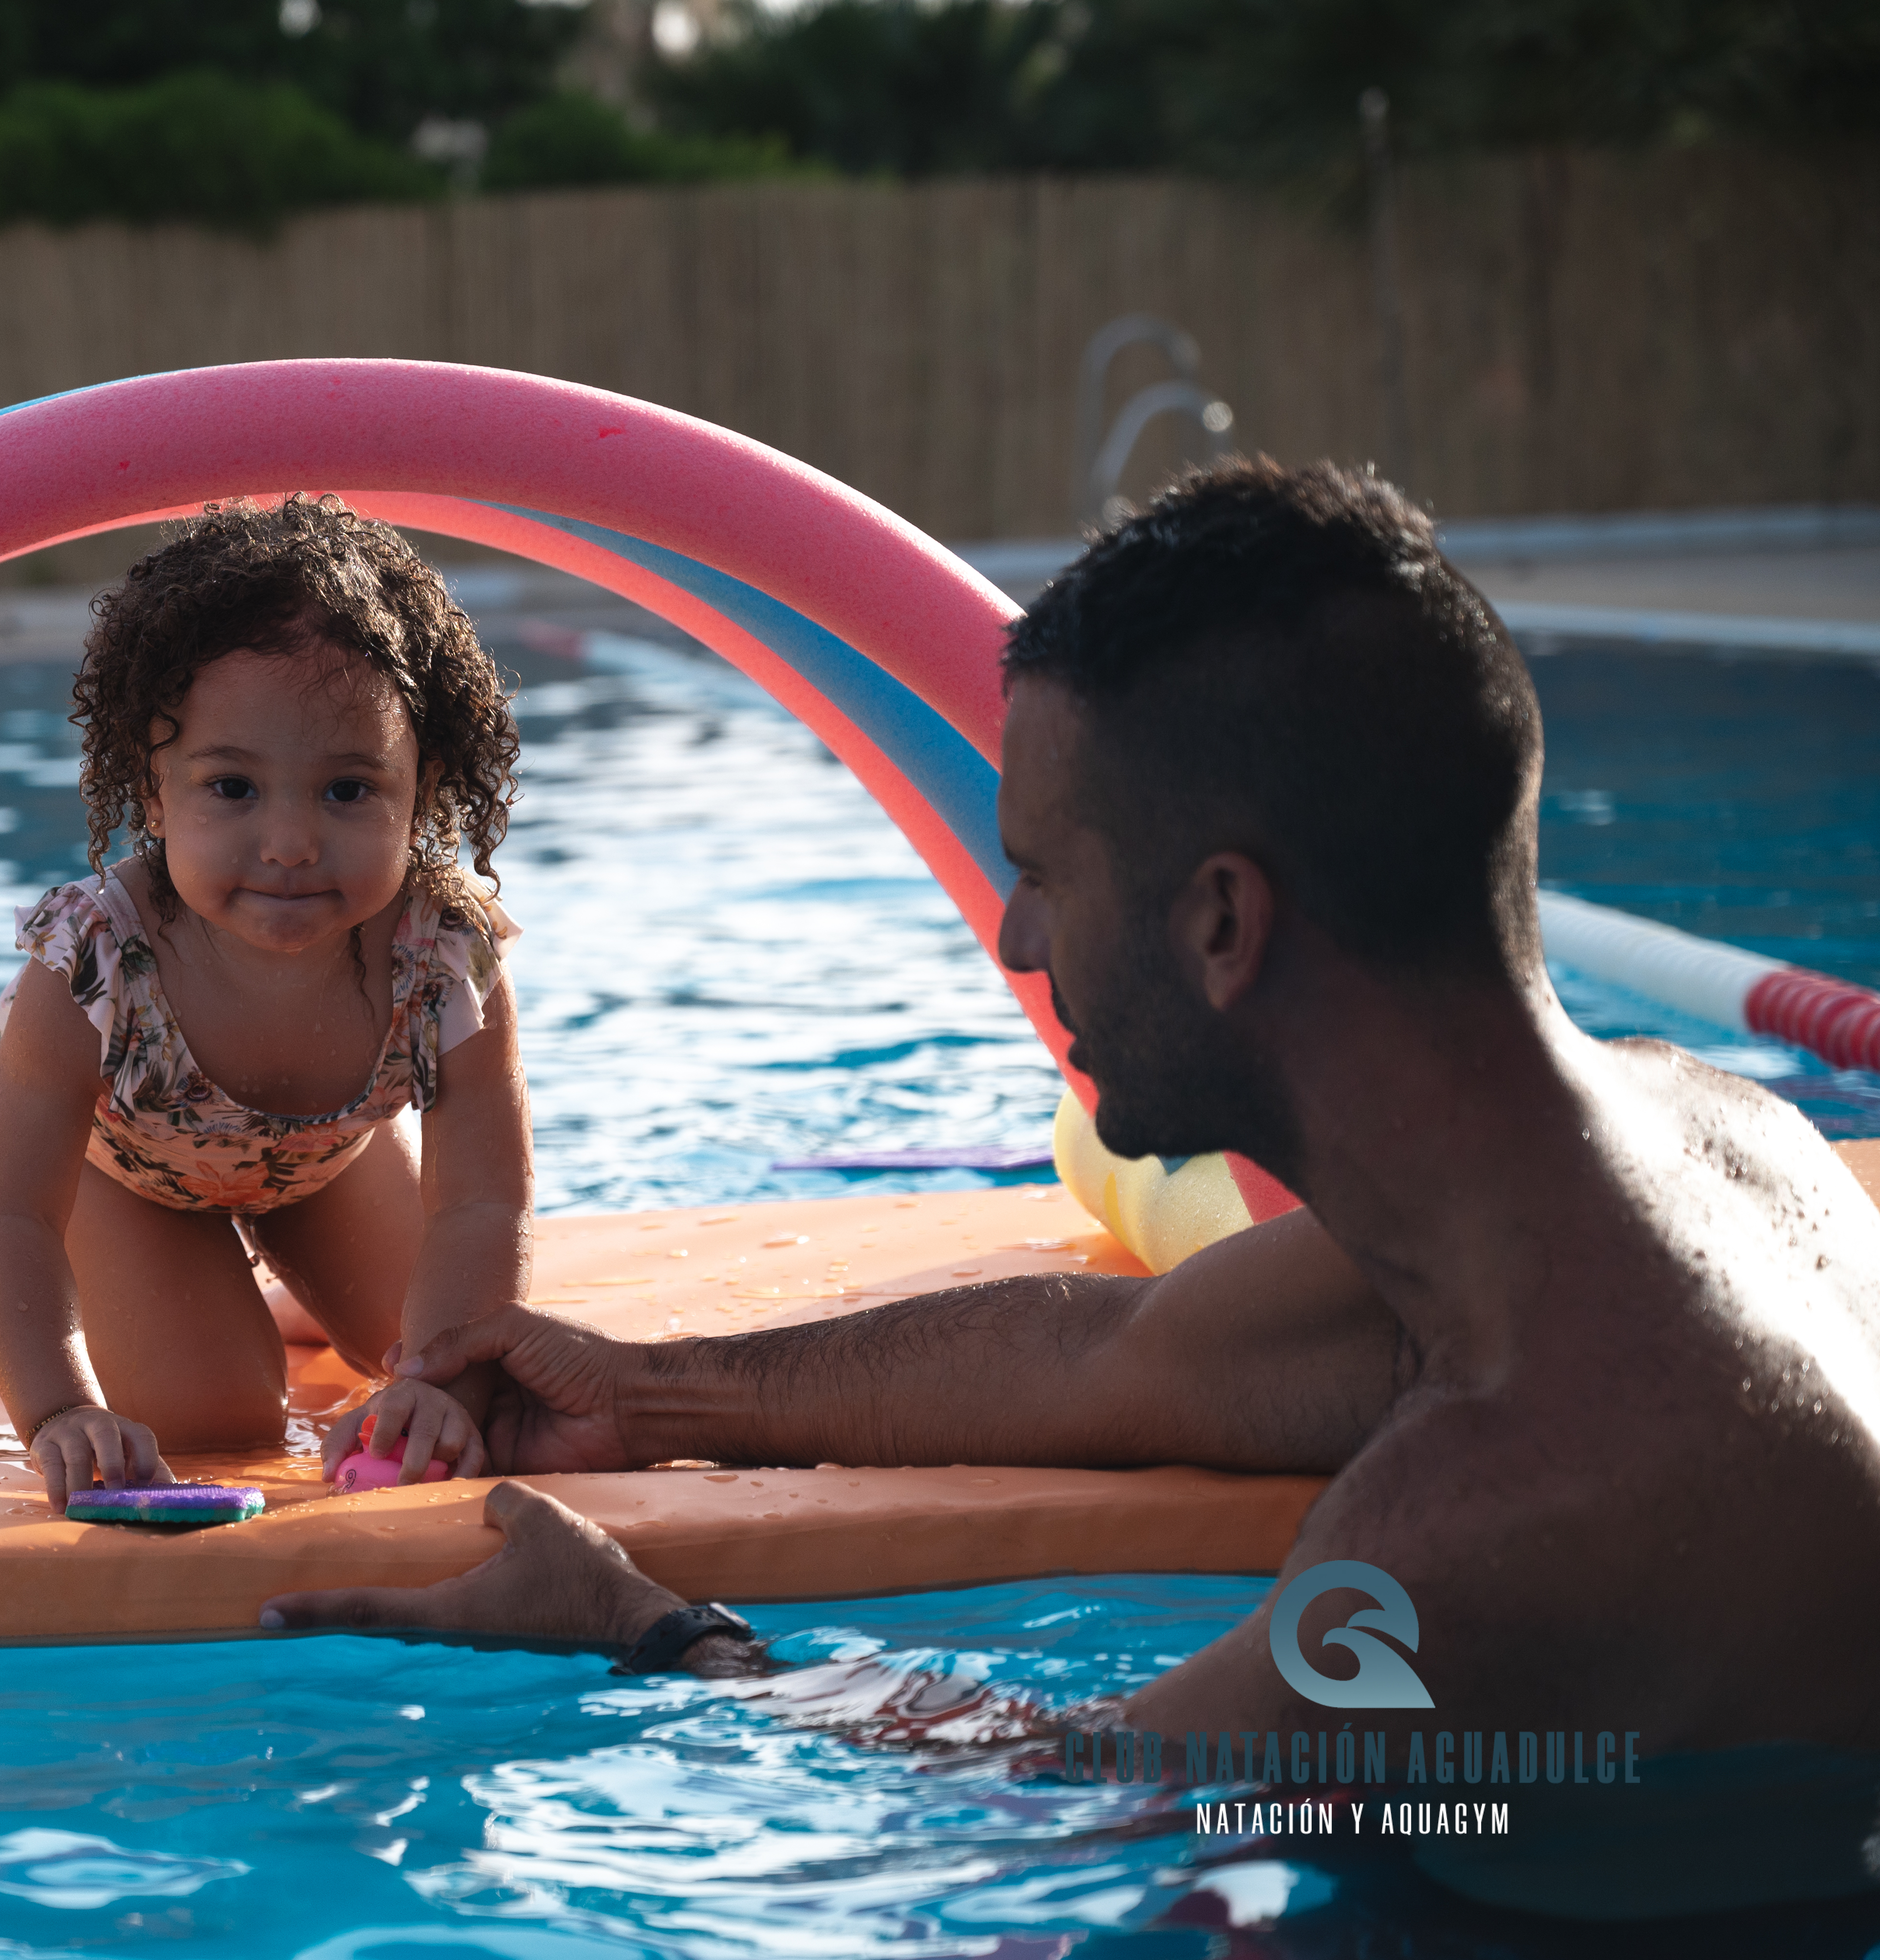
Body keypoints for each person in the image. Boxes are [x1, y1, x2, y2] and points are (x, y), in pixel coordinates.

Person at [267, 460, 1880, 1767]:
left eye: (1040, 875)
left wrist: (635, 1626)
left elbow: (1065, 1791)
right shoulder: (1707, 1143)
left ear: (1222, 922)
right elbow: (1117, 1356)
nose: (1019, 941)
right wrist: (641, 1394)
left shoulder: (1489, 1526)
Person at [0, 496, 532, 1510]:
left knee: (439, 1359)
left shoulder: (445, 956)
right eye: (232, 787)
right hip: (116, 1164)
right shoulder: (95, 961)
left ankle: (282, 1274)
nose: (290, 845)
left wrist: (440, 1388)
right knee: (219, 1416)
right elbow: (13, 1212)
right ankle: (198, 1287)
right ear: (153, 787)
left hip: (322, 1160)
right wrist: (58, 1408)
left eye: (348, 790)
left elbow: (483, 1202)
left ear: (423, 786)